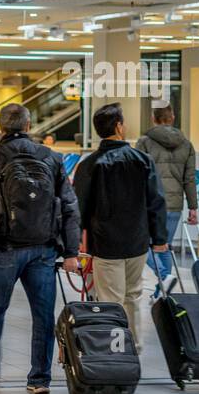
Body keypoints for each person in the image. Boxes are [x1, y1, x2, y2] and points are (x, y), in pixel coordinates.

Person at [0, 103, 81, 394]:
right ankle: (39, 378)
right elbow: (69, 206)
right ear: (29, 126)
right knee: (43, 315)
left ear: (1, 128)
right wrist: (70, 252)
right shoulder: (52, 158)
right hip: (43, 248)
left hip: (3, 246)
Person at [72, 103, 169, 350]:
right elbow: (156, 201)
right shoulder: (143, 160)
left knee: (109, 299)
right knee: (133, 295)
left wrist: (72, 247)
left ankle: (113, 350)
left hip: (105, 243)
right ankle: (134, 345)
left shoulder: (89, 164)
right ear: (118, 126)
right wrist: (159, 238)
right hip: (137, 241)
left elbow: (78, 208)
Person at [135, 104, 197, 299]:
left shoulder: (144, 142)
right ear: (173, 117)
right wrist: (193, 207)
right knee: (165, 247)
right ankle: (162, 292)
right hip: (174, 204)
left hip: (149, 202)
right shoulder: (186, 144)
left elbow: (137, 173)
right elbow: (189, 178)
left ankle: (164, 276)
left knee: (141, 245)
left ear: (154, 118)